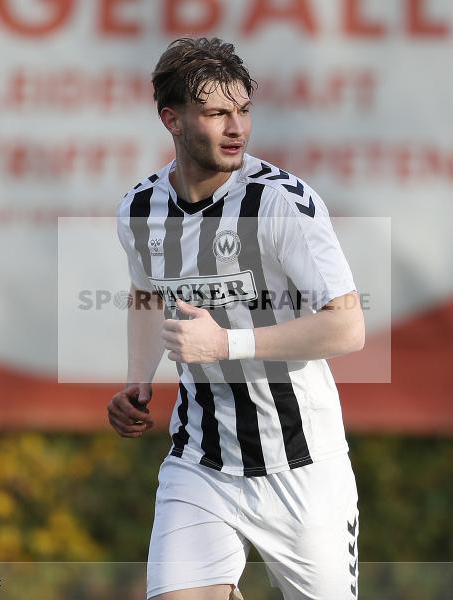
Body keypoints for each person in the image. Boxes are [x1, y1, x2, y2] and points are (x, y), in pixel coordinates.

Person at [108, 37, 365, 600]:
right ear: (172, 120)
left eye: (244, 110)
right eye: (217, 113)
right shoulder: (140, 209)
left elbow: (347, 327)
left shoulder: (281, 203)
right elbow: (147, 293)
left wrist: (226, 344)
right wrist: (137, 379)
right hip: (201, 461)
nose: (236, 128)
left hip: (301, 466)